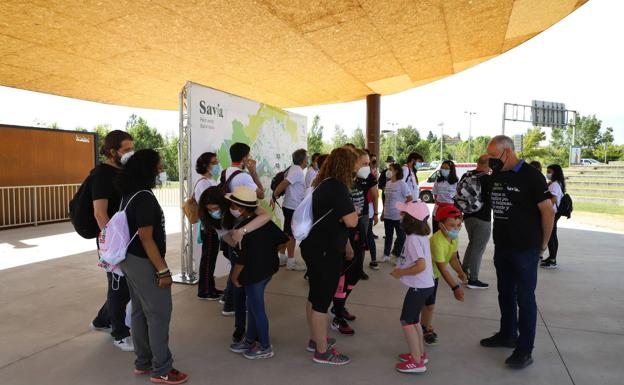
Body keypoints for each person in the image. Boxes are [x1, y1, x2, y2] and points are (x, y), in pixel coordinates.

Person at [480, 135, 554, 369]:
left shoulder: (532, 176)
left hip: (525, 249)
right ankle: (507, 334)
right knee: (505, 293)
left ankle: (525, 349)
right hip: (503, 246)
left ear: (508, 152)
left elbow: (548, 212)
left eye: (493, 155)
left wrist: (543, 244)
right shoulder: (496, 176)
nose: (489, 160)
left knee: (525, 298)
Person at [116, 149, 188, 384]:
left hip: (130, 260)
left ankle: (143, 361)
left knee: (138, 311)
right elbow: (147, 238)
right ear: (147, 168)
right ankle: (162, 369)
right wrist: (163, 270)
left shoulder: (130, 194)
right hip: (143, 261)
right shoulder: (145, 197)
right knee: (158, 313)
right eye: (158, 165)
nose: (161, 168)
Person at [300, 148, 357, 366]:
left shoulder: (323, 182)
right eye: (355, 164)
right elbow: (351, 221)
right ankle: (322, 352)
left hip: (314, 247)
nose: (357, 169)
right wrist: (350, 216)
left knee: (315, 295)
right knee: (322, 301)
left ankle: (316, 340)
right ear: (345, 165)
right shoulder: (337, 187)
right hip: (325, 250)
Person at [197, 187, 272, 340]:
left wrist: (242, 231)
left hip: (256, 248)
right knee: (238, 289)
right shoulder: (212, 219)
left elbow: (266, 215)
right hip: (239, 250)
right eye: (209, 210)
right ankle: (240, 328)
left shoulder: (236, 201)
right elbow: (229, 240)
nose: (213, 212)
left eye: (216, 209)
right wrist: (240, 251)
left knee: (254, 295)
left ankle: (257, 336)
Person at [227, 187, 289, 359]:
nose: (231, 208)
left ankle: (265, 346)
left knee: (256, 309)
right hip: (267, 270)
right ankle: (249, 340)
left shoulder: (241, 231)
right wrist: (268, 253)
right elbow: (283, 239)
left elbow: (241, 260)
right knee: (253, 307)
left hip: (253, 274)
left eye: (233, 205)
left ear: (240, 208)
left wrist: (234, 277)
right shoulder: (263, 221)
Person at [90, 130, 135, 352]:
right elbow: (100, 213)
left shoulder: (124, 171)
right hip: (113, 242)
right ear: (111, 151)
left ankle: (101, 320)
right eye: (126, 150)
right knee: (119, 286)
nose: (130, 153)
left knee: (123, 286)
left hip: (125, 238)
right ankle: (119, 333)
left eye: (131, 149)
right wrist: (113, 245)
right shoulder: (102, 174)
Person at [330, 148, 377, 335]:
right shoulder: (341, 184)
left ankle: (340, 307)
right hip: (344, 234)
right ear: (352, 164)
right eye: (364, 164)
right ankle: (337, 315)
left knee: (355, 273)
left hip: (357, 229)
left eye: (369, 164)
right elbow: (339, 217)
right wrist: (347, 244)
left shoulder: (365, 179)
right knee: (343, 275)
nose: (368, 168)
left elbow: (373, 193)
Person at [220, 142, 265, 316]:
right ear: (245, 157)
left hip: (229, 222)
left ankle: (226, 297)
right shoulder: (244, 177)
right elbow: (260, 193)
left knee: (235, 262)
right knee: (239, 265)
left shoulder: (224, 173)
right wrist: (253, 172)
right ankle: (230, 305)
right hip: (242, 222)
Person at [390, 201, 434, 374]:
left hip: (419, 287)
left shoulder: (413, 239)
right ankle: (420, 354)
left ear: (411, 219)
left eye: (403, 214)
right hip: (425, 286)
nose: (400, 216)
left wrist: (401, 273)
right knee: (414, 320)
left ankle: (416, 362)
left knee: (407, 321)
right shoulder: (419, 236)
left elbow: (420, 266)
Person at [421, 206, 467, 345]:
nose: (456, 229)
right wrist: (455, 287)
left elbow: (453, 258)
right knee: (429, 305)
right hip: (425, 276)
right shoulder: (437, 241)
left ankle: (423, 325)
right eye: (451, 225)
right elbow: (443, 269)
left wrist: (460, 271)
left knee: (428, 304)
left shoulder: (453, 238)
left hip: (433, 276)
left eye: (458, 225)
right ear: (441, 225)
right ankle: (425, 327)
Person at [271, 148, 308, 271]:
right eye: (306, 158)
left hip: (290, 205)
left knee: (287, 232)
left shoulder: (293, 169)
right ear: (303, 160)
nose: (308, 160)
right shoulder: (297, 171)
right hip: (293, 207)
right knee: (291, 234)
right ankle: (291, 262)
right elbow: (284, 183)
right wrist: (274, 195)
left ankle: (282, 258)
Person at [460, 155, 492, 289]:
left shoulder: (466, 175)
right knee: (478, 248)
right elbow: (490, 199)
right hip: (482, 218)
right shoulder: (488, 179)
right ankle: (473, 279)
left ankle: (463, 270)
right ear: (489, 164)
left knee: (472, 244)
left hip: (467, 216)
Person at [193, 152, 222, 300]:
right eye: (214, 162)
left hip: (213, 225)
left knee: (211, 258)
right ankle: (204, 291)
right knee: (208, 259)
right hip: (209, 225)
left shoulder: (211, 181)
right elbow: (208, 205)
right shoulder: (203, 182)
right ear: (205, 165)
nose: (217, 165)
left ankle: (210, 287)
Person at [381, 163, 412, 263]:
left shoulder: (402, 183)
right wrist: (383, 212)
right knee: (388, 235)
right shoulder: (388, 183)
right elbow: (386, 199)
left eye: (390, 169)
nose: (388, 171)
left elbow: (409, 199)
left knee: (401, 236)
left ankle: (399, 255)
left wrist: (404, 210)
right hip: (388, 214)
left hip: (398, 215)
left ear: (396, 171)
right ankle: (386, 255)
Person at [541, 164, 565, 269]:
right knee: (552, 235)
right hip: (554, 212)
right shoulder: (557, 183)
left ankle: (552, 260)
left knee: (550, 235)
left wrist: (546, 210)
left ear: (555, 172)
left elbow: (553, 199)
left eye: (549, 171)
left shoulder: (555, 184)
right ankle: (552, 257)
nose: (548, 173)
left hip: (552, 213)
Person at [432, 160, 459, 233]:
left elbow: (458, 196)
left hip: (451, 210)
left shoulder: (456, 181)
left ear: (451, 170)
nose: (443, 170)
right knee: (437, 231)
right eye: (442, 168)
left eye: (446, 168)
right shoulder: (438, 180)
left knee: (449, 232)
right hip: (438, 209)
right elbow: (435, 194)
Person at [366, 153, 380, 268]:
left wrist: (376, 213)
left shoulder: (371, 175)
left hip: (367, 209)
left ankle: (373, 259)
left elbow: (375, 195)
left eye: (373, 162)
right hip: (353, 210)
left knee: (368, 234)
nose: (372, 165)